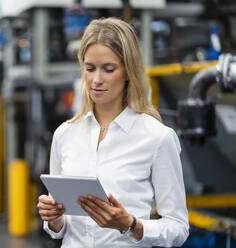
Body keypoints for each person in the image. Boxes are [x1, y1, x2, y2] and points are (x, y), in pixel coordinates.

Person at [37, 17, 189, 247]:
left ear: (128, 71)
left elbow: (178, 228)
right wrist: (55, 220)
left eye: (108, 69)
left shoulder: (157, 138)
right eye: (89, 69)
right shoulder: (65, 135)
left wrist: (131, 225)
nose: (96, 80)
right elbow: (61, 228)